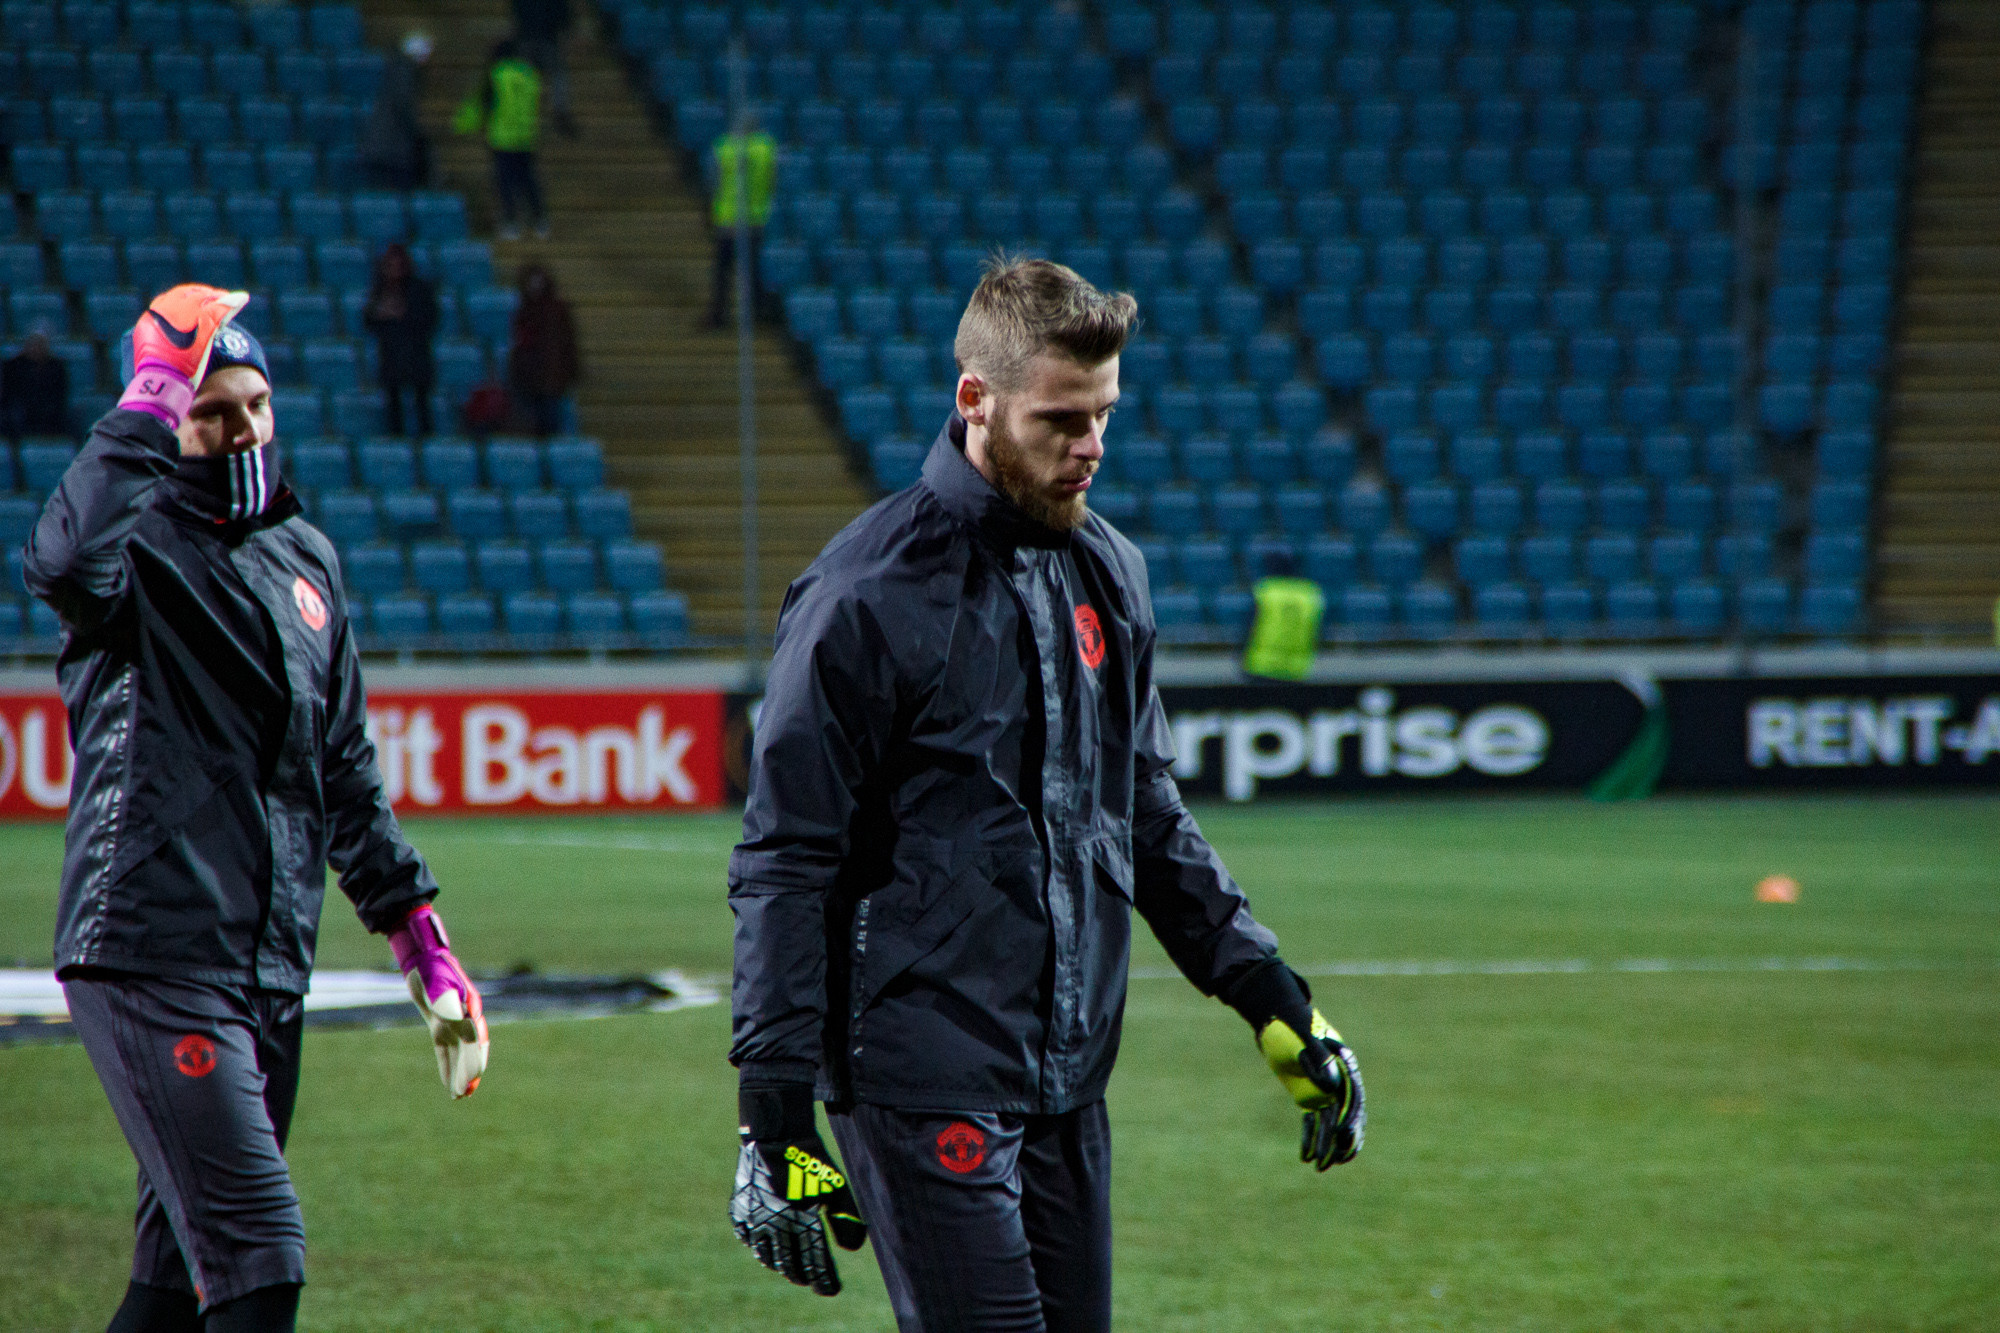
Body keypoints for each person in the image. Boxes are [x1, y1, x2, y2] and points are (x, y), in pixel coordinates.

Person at [727, 259, 1364, 1331]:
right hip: (919, 1072)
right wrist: (771, 1110)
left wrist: (1270, 995)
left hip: (1067, 1075)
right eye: (1062, 419)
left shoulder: (1110, 571)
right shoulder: (862, 594)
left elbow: (1145, 814)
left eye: (1105, 415)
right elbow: (788, 855)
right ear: (973, 401)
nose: (1092, 446)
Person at [22, 286, 489, 1333]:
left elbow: (345, 773)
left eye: (255, 406)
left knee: (169, 1292)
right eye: (211, 410)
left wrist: (422, 940)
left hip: (267, 969)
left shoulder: (307, 560)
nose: (239, 430)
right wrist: (148, 390)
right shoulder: (131, 550)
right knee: (259, 1257)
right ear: (168, 419)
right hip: (151, 952)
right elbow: (58, 562)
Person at [455, 39, 546, 241]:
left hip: (502, 138)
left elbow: (482, 103)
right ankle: (540, 221)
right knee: (528, 180)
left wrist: (462, 125)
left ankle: (511, 223)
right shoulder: (530, 74)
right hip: (526, 137)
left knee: (505, 182)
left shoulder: (496, 74)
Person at [703, 109, 776, 331]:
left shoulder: (724, 148)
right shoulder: (766, 148)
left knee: (723, 271)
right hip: (755, 220)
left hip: (728, 220)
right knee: (752, 270)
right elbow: (773, 181)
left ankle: (719, 314)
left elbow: (712, 182)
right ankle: (758, 314)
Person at [361, 242, 439, 437]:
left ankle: (425, 442)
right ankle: (397, 439)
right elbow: (369, 320)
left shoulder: (419, 289)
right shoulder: (380, 291)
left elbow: (431, 318)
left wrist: (403, 314)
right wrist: (381, 314)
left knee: (422, 404)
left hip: (416, 355)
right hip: (391, 357)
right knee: (393, 403)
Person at [507, 262, 580, 438]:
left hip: (551, 380)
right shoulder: (524, 312)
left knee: (550, 426)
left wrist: (570, 371)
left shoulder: (557, 310)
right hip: (528, 380)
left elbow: (567, 343)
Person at [360, 30, 434, 192]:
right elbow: (404, 107)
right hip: (391, 150)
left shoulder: (394, 71)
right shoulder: (403, 73)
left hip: (384, 148)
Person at [1242, 550, 1325, 681]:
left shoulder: (1265, 590)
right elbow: (1318, 630)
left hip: (1262, 666)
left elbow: (1249, 628)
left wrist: (1241, 660)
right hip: (1298, 669)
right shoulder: (1310, 593)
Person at [512, 0, 578, 139]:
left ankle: (524, 111)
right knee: (557, 75)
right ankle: (560, 112)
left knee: (526, 77)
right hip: (546, 39)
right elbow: (564, 15)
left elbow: (516, 12)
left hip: (530, 38)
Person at [2, 328, 72, 441]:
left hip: (48, 408)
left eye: (40, 344)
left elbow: (60, 393)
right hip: (21, 407)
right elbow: (8, 394)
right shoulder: (13, 366)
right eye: (33, 344)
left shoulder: (56, 367)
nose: (36, 348)